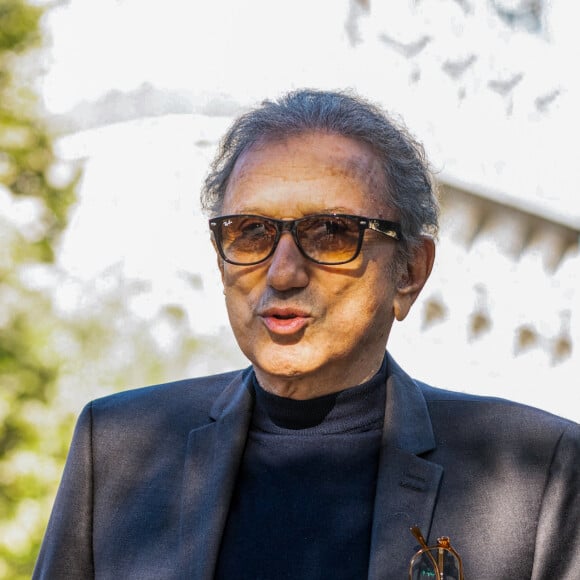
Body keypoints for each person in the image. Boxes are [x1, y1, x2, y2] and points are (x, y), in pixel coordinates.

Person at [34, 89, 580, 579]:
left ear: (411, 271)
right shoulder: (118, 446)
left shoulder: (534, 475)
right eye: (251, 232)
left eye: (331, 232)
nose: (283, 272)